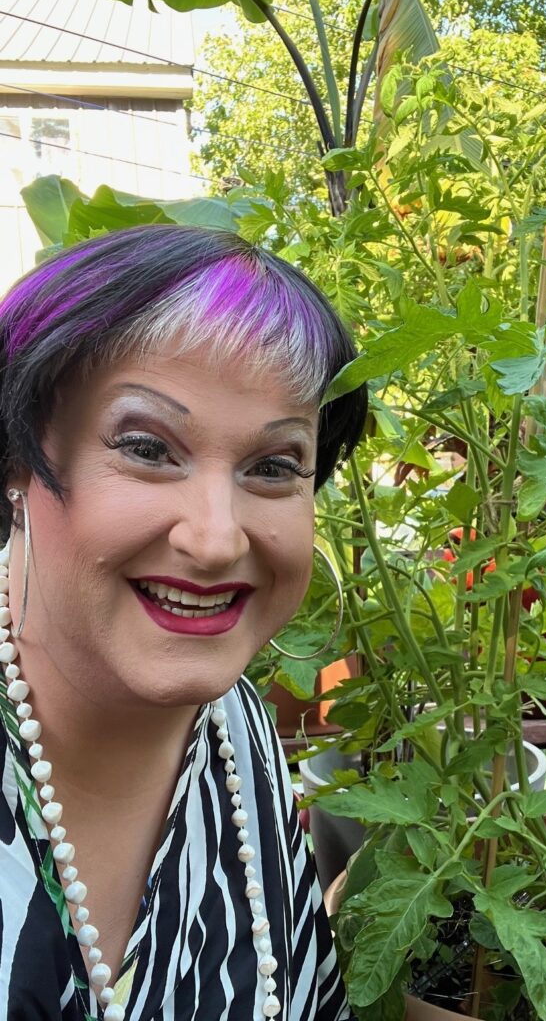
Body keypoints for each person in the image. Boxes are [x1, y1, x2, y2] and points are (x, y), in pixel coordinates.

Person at [0, 225, 367, 1021]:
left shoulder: (237, 731)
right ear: (17, 461)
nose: (215, 537)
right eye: (147, 447)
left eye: (272, 467)